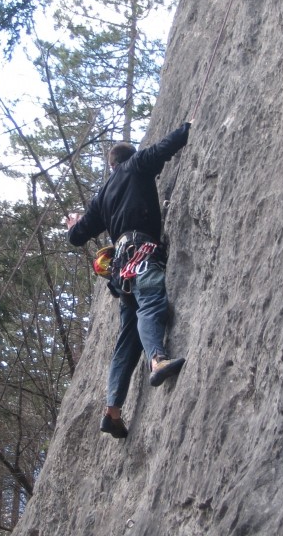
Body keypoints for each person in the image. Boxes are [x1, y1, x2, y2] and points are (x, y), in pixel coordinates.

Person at [66, 122, 192, 439]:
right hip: (140, 250)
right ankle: (158, 360)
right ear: (129, 157)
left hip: (121, 266)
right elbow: (165, 147)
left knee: (127, 339)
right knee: (151, 302)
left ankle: (113, 411)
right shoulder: (135, 165)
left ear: (111, 165)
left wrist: (72, 225)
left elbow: (78, 237)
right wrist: (186, 128)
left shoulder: (102, 196)